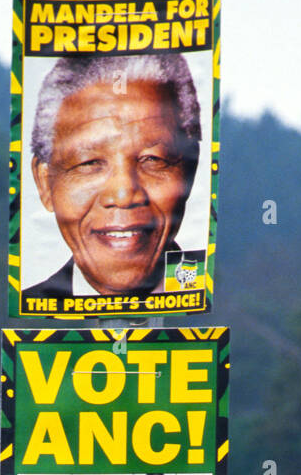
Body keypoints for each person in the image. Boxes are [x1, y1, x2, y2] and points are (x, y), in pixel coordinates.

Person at [24, 53, 201, 301]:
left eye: (153, 159)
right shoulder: (25, 314)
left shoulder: (229, 306)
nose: (123, 194)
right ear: (44, 182)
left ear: (190, 170)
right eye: (90, 162)